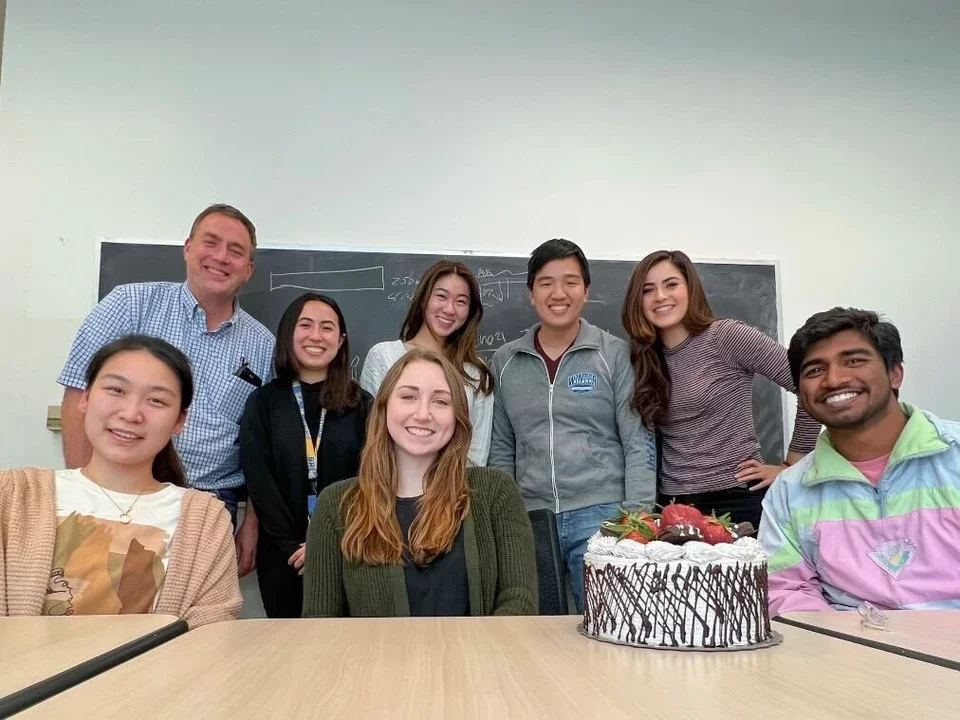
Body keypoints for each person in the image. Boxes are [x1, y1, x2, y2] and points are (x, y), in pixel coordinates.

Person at [57, 203, 275, 576]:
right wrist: (86, 493)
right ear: (188, 248)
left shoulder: (264, 345)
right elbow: (79, 395)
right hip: (117, 491)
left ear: (249, 269)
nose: (221, 257)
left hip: (208, 506)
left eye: (236, 251)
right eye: (211, 242)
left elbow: (264, 443)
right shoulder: (129, 305)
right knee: (95, 615)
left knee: (196, 621)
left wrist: (252, 525)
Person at [0, 335, 241, 627]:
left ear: (180, 421)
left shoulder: (205, 520)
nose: (131, 414)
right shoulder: (14, 496)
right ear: (85, 398)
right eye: (116, 390)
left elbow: (212, 631)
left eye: (156, 400)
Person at [303, 348, 537, 617]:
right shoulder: (336, 504)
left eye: (440, 401)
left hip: (476, 658)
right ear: (384, 406)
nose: (423, 414)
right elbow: (321, 623)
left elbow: (518, 601)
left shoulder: (495, 491)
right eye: (408, 397)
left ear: (457, 416)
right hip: (375, 660)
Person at [489, 238, 654, 612]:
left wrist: (636, 517)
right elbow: (502, 447)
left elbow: (637, 439)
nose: (558, 293)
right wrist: (506, 515)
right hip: (531, 518)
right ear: (531, 293)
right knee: (538, 636)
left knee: (608, 626)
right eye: (546, 282)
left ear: (586, 290)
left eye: (570, 281)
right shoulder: (506, 361)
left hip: (603, 516)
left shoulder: (614, 354)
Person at [760, 308, 960, 615]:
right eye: (815, 370)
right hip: (847, 654)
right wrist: (851, 654)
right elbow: (786, 589)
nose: (834, 380)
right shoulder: (788, 492)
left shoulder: (954, 454)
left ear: (895, 372)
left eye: (854, 360)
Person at [621, 249, 820, 528]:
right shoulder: (643, 360)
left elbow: (813, 387)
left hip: (737, 498)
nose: (660, 297)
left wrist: (793, 466)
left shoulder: (726, 337)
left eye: (671, 285)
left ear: (690, 289)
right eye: (648, 290)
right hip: (672, 505)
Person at [240, 293, 372, 618]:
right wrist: (292, 546)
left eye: (327, 328)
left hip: (348, 551)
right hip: (282, 556)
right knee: (291, 654)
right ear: (288, 333)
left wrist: (327, 545)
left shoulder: (362, 404)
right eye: (306, 325)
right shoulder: (264, 403)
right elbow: (260, 480)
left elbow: (371, 480)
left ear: (340, 341)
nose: (316, 336)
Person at [360, 260, 494, 467]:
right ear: (423, 299)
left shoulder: (476, 374)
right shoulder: (384, 357)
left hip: (455, 492)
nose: (449, 309)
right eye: (441, 296)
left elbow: (477, 453)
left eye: (461, 301)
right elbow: (373, 437)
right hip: (391, 489)